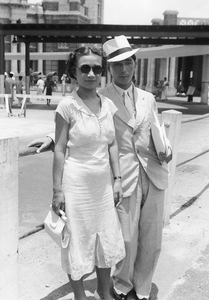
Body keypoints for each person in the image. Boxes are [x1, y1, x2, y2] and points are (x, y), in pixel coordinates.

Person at [28, 35, 172, 300]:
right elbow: (76, 125)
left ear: (135, 64)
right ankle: (122, 285)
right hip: (120, 177)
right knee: (125, 238)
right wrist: (51, 138)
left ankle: (140, 289)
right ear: (111, 69)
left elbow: (155, 130)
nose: (124, 69)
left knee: (152, 240)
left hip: (153, 173)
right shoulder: (101, 96)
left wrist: (167, 148)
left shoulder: (148, 99)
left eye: (128, 63)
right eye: (117, 65)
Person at [52, 46, 125, 300]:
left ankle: (105, 294)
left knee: (104, 238)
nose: (91, 73)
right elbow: (60, 149)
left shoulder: (108, 105)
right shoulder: (67, 106)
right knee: (79, 240)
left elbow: (112, 143)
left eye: (96, 68)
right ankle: (80, 297)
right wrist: (57, 190)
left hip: (104, 185)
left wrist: (117, 180)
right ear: (74, 71)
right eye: (85, 68)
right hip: (77, 186)